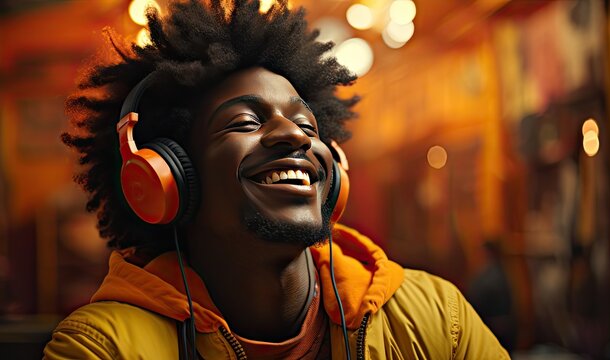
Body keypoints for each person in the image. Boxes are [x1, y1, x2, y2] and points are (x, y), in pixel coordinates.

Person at [44, 0, 509, 359]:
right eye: (245, 122)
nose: (293, 135)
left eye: (308, 126)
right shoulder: (102, 349)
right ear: (169, 177)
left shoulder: (436, 319)